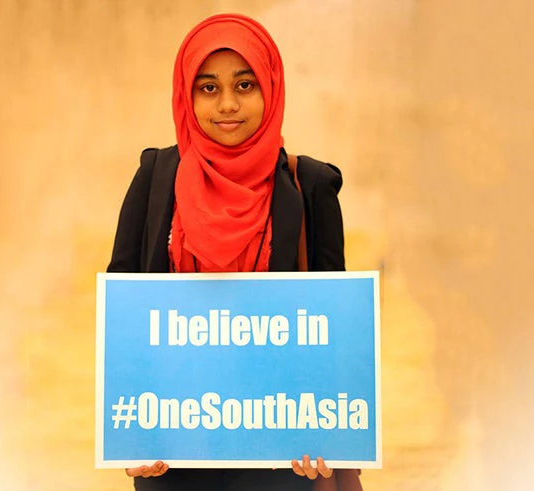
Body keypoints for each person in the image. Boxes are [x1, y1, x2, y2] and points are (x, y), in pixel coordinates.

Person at [107, 13, 363, 491]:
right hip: (172, 454)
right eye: (208, 88)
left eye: (245, 85)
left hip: (281, 455)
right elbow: (123, 311)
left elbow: (335, 328)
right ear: (187, 94)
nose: (227, 104)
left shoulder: (310, 187)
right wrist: (128, 437)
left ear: (270, 86)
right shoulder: (156, 179)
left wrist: (331, 435)